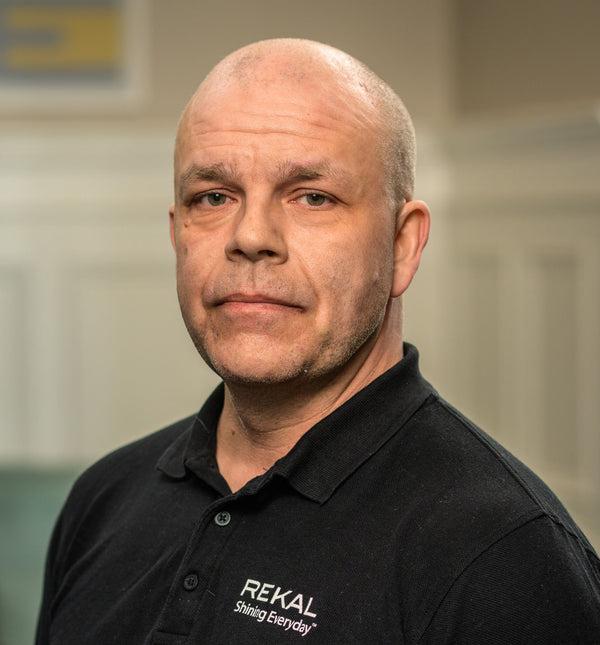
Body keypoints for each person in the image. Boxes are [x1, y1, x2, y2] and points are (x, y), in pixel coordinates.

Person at [36, 38, 600, 644]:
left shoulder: (510, 562)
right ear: (178, 235)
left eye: (313, 197)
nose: (251, 236)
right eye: (214, 197)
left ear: (403, 245)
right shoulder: (102, 499)